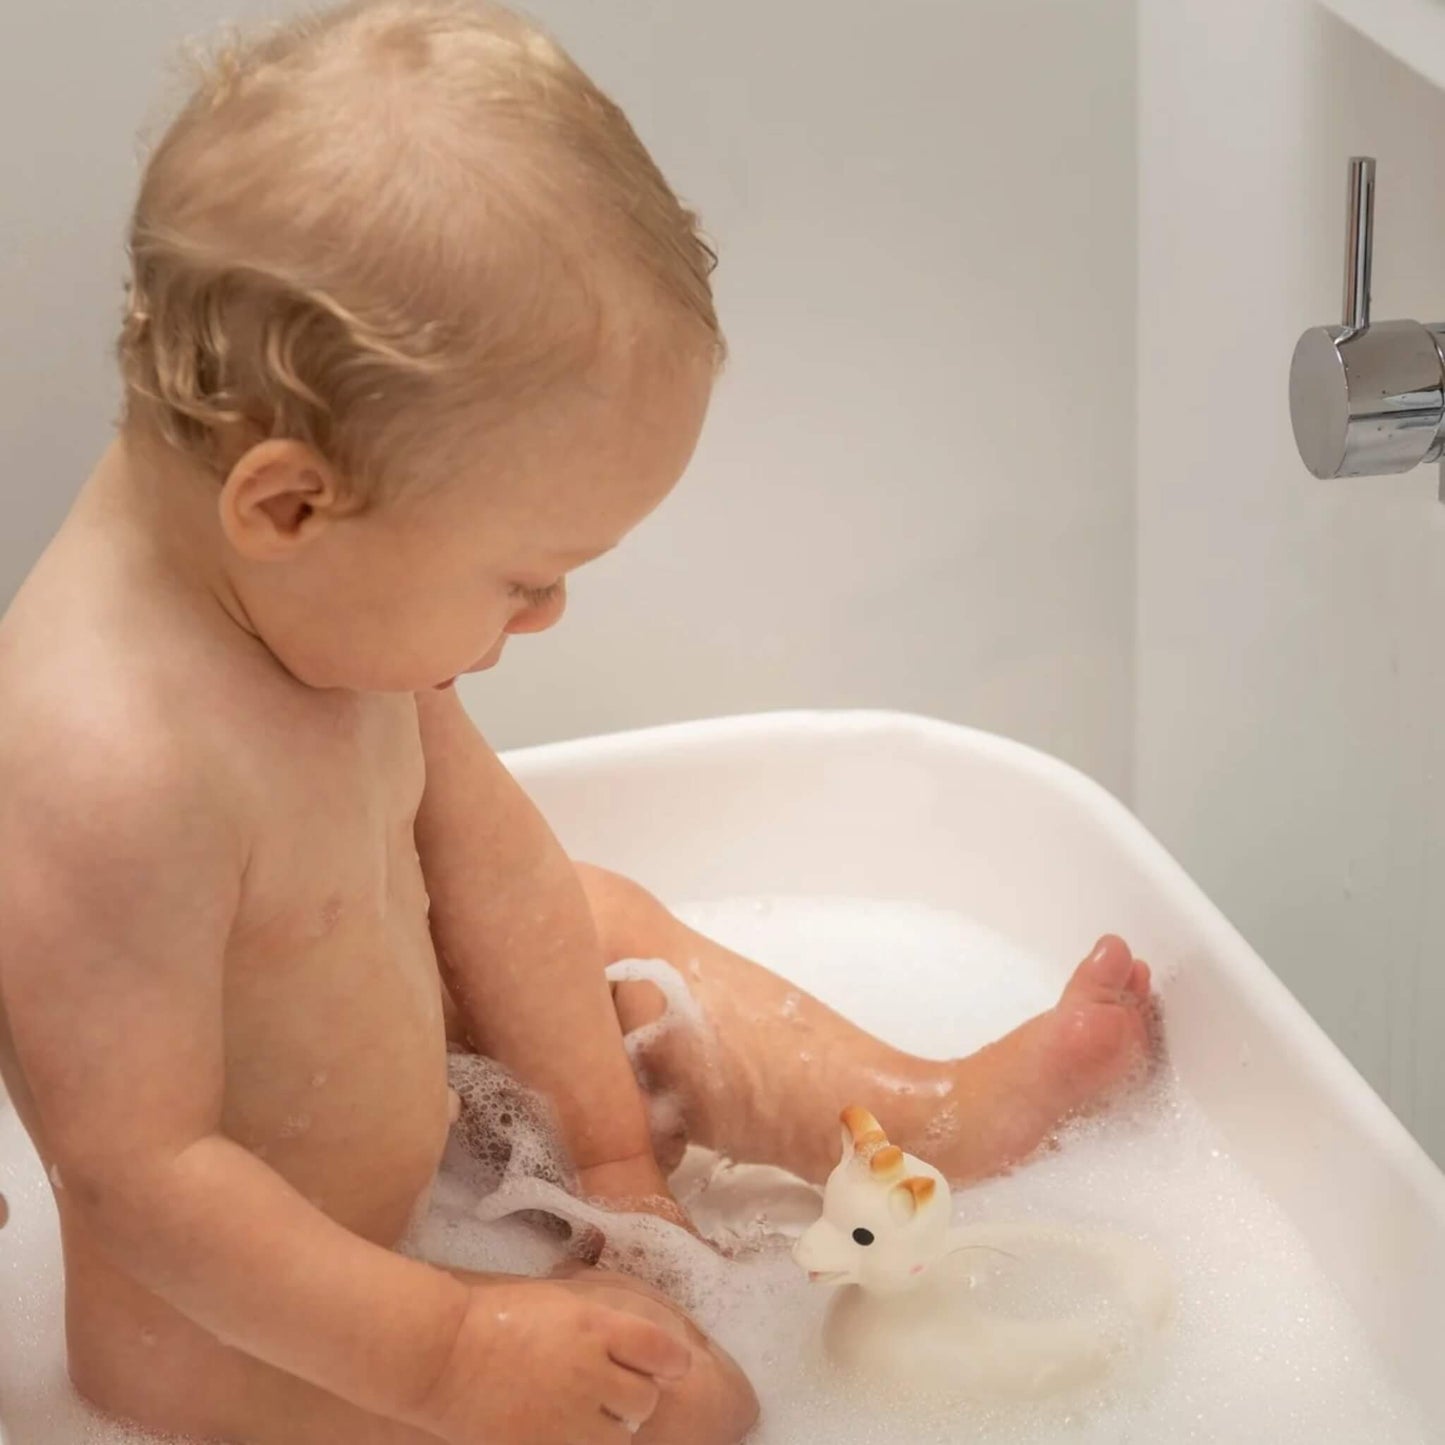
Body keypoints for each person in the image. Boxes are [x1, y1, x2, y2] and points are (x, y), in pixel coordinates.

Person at [0, 4, 1156, 1441]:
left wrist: (612, 1164)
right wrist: (453, 1351)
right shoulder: (109, 762)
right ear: (290, 505)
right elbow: (146, 1180)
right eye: (524, 577)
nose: (547, 616)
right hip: (235, 1325)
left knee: (602, 921)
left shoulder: (307, 601)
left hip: (398, 1127)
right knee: (690, 1408)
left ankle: (911, 1116)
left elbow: (499, 878)